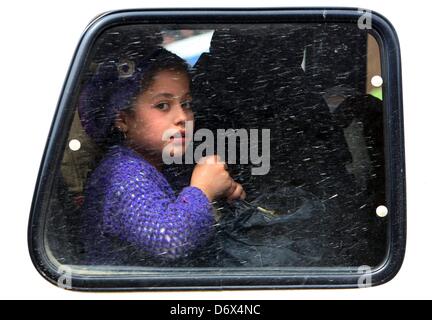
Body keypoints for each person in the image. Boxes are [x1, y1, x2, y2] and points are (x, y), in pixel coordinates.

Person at [78, 47, 245, 265]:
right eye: (163, 105)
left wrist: (219, 192)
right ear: (123, 120)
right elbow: (170, 240)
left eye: (186, 104)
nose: (182, 117)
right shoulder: (123, 175)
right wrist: (202, 190)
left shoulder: (156, 164)